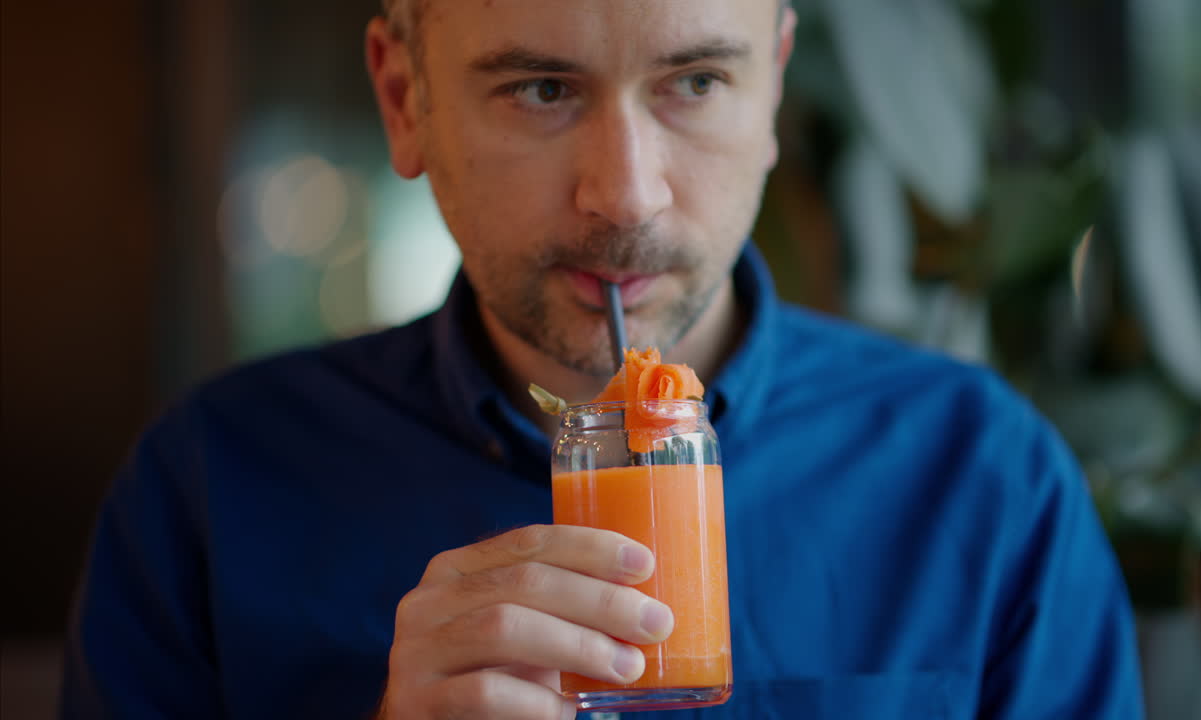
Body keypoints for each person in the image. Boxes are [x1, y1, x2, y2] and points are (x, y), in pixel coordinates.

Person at [61, 0, 1145, 718]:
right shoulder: (208, 488)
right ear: (405, 99)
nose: (624, 195)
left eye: (694, 83)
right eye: (539, 89)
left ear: (772, 84)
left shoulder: (987, 480)